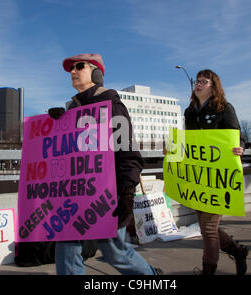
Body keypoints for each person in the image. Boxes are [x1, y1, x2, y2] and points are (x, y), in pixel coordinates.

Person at [47, 53, 161, 275]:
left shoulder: (111, 104)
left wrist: (127, 191)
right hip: (75, 192)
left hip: (105, 192)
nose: (73, 71)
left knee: (113, 249)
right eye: (71, 68)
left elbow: (128, 151)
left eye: (79, 66)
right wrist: (58, 124)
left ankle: (150, 277)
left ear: (96, 73)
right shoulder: (72, 108)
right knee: (67, 248)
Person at [183, 69, 249, 275]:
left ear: (213, 86)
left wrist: (241, 146)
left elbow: (236, 135)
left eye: (204, 81)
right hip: (198, 176)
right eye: (197, 81)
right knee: (204, 227)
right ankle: (237, 251)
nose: (198, 84)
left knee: (209, 229)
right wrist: (174, 149)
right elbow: (189, 142)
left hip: (219, 177)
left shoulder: (224, 108)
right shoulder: (190, 111)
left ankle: (207, 270)